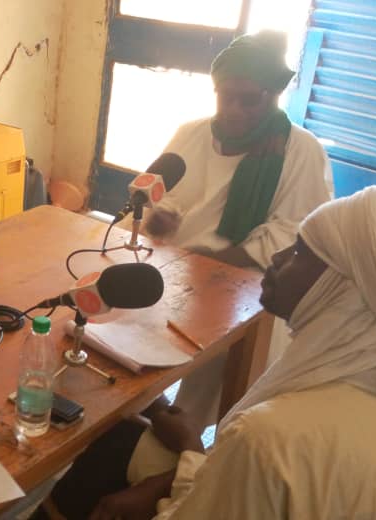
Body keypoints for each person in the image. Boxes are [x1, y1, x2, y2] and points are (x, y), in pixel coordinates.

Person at [50, 182, 376, 519]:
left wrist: (156, 496)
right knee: (124, 439)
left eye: (301, 251)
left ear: (340, 291)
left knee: (102, 482)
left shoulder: (269, 437)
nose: (278, 257)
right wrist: (188, 456)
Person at [138, 30, 335, 441]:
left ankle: (188, 457)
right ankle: (132, 418)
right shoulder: (192, 134)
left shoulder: (300, 151)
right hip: (175, 270)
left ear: (275, 95)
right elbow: (164, 195)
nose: (234, 110)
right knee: (129, 351)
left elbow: (294, 234)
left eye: (250, 99)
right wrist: (159, 219)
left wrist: (216, 263)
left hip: (248, 285)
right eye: (225, 96)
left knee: (220, 395)